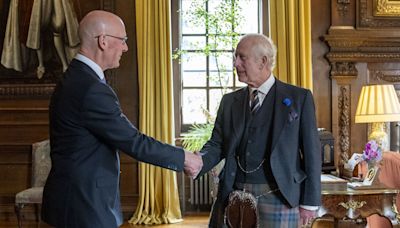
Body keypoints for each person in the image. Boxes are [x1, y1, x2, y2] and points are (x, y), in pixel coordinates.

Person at [41, 10, 202, 228]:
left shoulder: (76, 78)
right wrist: (184, 157)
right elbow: (133, 141)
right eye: (123, 40)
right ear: (104, 41)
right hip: (84, 205)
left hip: (72, 199)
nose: (126, 48)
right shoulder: (90, 88)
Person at [196, 34, 321, 227]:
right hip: (234, 193)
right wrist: (198, 161)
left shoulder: (299, 98)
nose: (235, 63)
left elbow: (312, 153)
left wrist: (310, 202)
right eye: (235, 57)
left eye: (242, 57)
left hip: (280, 196)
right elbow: (217, 144)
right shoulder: (229, 102)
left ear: (263, 61)